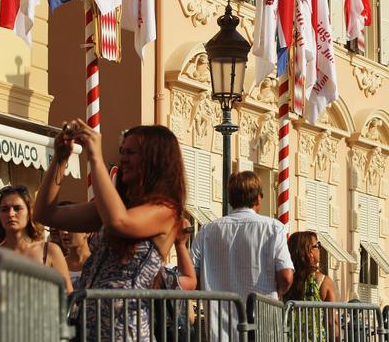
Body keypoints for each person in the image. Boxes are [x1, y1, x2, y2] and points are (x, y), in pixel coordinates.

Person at [34, 121, 186, 341]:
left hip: (125, 329)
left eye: (131, 152)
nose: (123, 159)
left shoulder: (166, 210)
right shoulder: (114, 207)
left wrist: (95, 157)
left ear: (155, 160)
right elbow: (45, 214)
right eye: (122, 151)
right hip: (88, 326)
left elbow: (119, 222)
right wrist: (61, 159)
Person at [191, 170, 293, 339]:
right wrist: (277, 293)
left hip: (220, 328)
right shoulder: (273, 228)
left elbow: (192, 276)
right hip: (263, 325)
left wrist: (211, 287)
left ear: (230, 199)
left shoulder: (207, 231)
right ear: (258, 198)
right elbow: (287, 276)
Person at [0, 185, 72, 292]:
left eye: (17, 208)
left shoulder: (49, 251)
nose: (10, 214)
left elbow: (69, 298)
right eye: (4, 209)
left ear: (29, 213)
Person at [285, 231, 338, 340]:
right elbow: (332, 322)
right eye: (317, 245)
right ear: (308, 251)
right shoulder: (324, 281)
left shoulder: (286, 280)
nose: (320, 249)